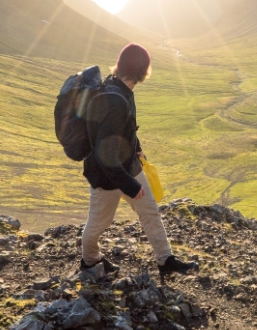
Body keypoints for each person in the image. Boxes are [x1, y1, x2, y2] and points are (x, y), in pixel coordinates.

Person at [80, 42, 198, 281]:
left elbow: (125, 129)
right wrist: (132, 187)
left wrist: (138, 149)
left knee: (150, 211)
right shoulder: (115, 101)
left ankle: (165, 260)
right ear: (142, 71)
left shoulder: (120, 89)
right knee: (98, 224)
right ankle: (89, 261)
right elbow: (107, 156)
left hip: (128, 167)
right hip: (108, 176)